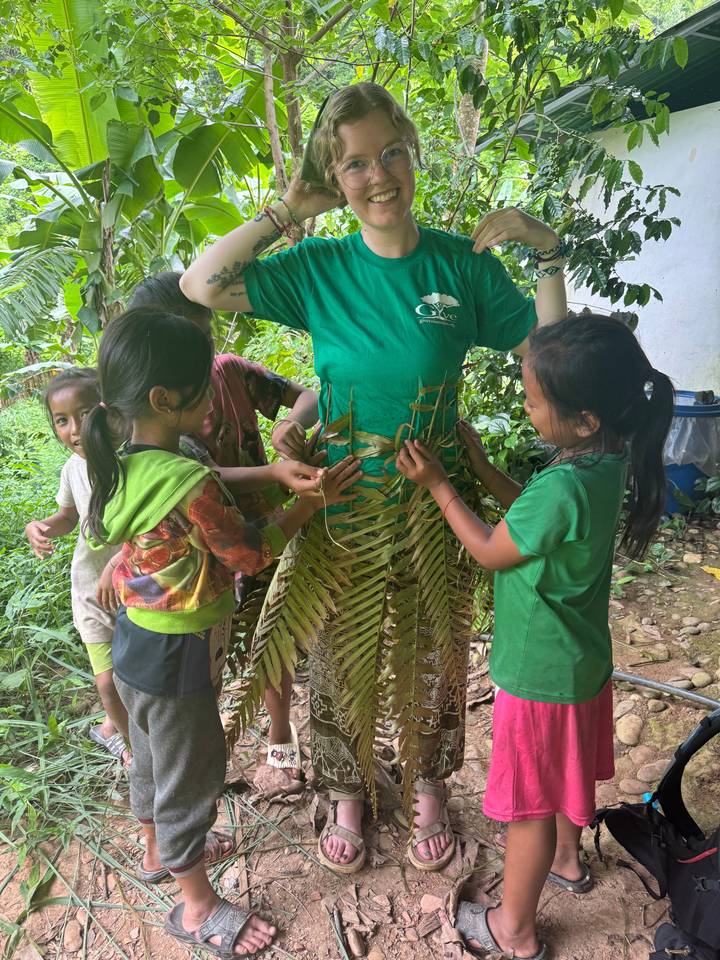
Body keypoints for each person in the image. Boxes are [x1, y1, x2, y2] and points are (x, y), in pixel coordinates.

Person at [179, 81, 568, 874]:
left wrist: (547, 247)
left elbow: (552, 356)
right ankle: (347, 788)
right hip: (343, 499)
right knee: (333, 652)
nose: (378, 174)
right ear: (333, 175)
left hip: (437, 505)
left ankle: (429, 786)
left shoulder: (461, 265)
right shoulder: (319, 266)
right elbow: (202, 285)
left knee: (434, 651)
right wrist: (289, 210)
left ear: (414, 154)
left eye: (392, 152)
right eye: (354, 163)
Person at [82, 307, 360, 957]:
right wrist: (307, 505)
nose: (213, 393)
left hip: (136, 644)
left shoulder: (121, 462)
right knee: (191, 775)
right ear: (165, 399)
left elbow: (110, 534)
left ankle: (161, 850)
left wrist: (267, 476)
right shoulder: (189, 478)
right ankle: (197, 905)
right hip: (181, 655)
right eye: (201, 387)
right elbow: (249, 555)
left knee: (150, 760)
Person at [396, 314, 674, 959]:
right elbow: (534, 512)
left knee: (526, 807)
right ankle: (568, 861)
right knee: (559, 779)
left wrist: (440, 486)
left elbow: (495, 550)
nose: (526, 406)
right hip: (579, 663)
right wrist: (485, 470)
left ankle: (513, 928)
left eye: (533, 399)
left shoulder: (566, 483)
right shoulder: (601, 463)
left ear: (584, 419)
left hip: (536, 672)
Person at [129, 271, 322, 793]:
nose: (200, 355)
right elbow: (200, 483)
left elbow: (306, 396)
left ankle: (279, 734)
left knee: (271, 634)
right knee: (209, 657)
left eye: (205, 339)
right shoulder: (149, 417)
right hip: (210, 556)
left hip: (265, 527)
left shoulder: (228, 373)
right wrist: (278, 477)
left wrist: (291, 428)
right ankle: (200, 754)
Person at [24, 368, 130, 766]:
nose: (75, 429)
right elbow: (68, 517)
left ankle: (122, 729)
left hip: (135, 586)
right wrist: (41, 527)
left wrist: (120, 561)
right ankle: (131, 748)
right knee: (106, 682)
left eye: (85, 414)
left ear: (109, 409)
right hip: (90, 589)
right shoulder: (72, 468)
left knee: (133, 676)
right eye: (62, 420)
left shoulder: (131, 460)